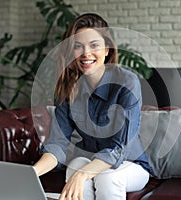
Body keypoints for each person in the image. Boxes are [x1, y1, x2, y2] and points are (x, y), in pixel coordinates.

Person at [34, 13, 153, 200]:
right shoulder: (69, 88)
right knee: (76, 165)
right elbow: (58, 143)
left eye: (94, 45)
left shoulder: (127, 82)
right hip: (90, 159)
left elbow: (120, 148)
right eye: (78, 46)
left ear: (107, 49)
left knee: (105, 177)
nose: (86, 53)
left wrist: (83, 174)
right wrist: (32, 172)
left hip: (130, 164)